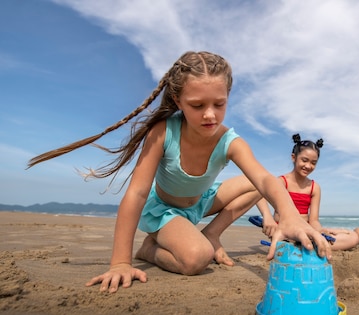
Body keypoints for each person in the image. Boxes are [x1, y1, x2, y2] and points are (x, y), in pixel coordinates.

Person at [27, 51, 331, 293]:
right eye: (197, 105)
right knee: (197, 258)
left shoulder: (230, 141)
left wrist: (288, 216)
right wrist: (120, 261)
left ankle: (211, 234)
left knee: (259, 184)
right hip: (165, 211)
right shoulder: (163, 132)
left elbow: (264, 179)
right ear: (177, 101)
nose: (210, 114)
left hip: (200, 203)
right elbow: (137, 192)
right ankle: (150, 249)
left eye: (219, 104)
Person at [255, 134, 359, 251]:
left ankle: (310, 243)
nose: (308, 166)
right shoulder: (282, 182)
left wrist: (319, 231)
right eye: (304, 160)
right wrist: (267, 217)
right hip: (286, 232)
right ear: (293, 157)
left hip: (306, 230)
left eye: (313, 163)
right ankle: (305, 246)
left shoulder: (314, 187)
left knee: (353, 237)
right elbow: (258, 194)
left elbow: (314, 220)